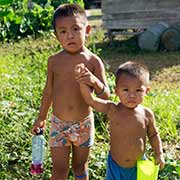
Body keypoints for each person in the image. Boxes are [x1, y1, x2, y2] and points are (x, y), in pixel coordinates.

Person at [31, 3, 110, 180]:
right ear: (56, 36)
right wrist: (41, 117)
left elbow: (106, 96)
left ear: (87, 29)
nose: (70, 35)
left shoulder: (93, 61)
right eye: (63, 31)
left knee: (80, 168)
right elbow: (49, 91)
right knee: (59, 170)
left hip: (84, 125)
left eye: (75, 29)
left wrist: (93, 81)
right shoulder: (54, 61)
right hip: (59, 124)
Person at [75, 61, 165, 180]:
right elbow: (91, 100)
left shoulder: (146, 114)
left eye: (138, 90)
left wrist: (159, 153)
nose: (132, 95)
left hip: (138, 165)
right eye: (126, 90)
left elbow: (153, 135)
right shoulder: (112, 109)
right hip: (116, 166)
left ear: (146, 91)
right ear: (116, 91)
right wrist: (82, 80)